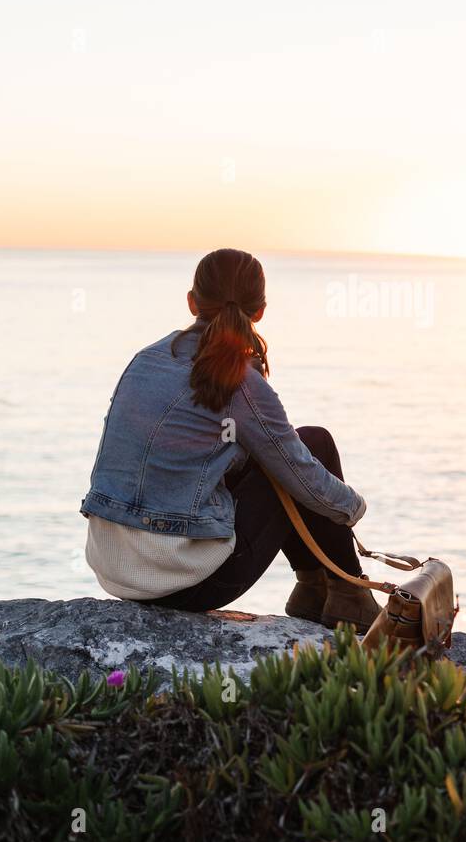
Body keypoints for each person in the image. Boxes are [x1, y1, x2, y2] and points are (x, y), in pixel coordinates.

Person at [79, 247, 379, 632]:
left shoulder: (145, 360)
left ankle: (315, 590)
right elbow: (301, 474)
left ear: (191, 302)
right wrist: (353, 508)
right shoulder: (242, 383)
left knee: (271, 452)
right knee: (312, 444)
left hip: (114, 567)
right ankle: (346, 591)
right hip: (185, 584)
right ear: (261, 310)